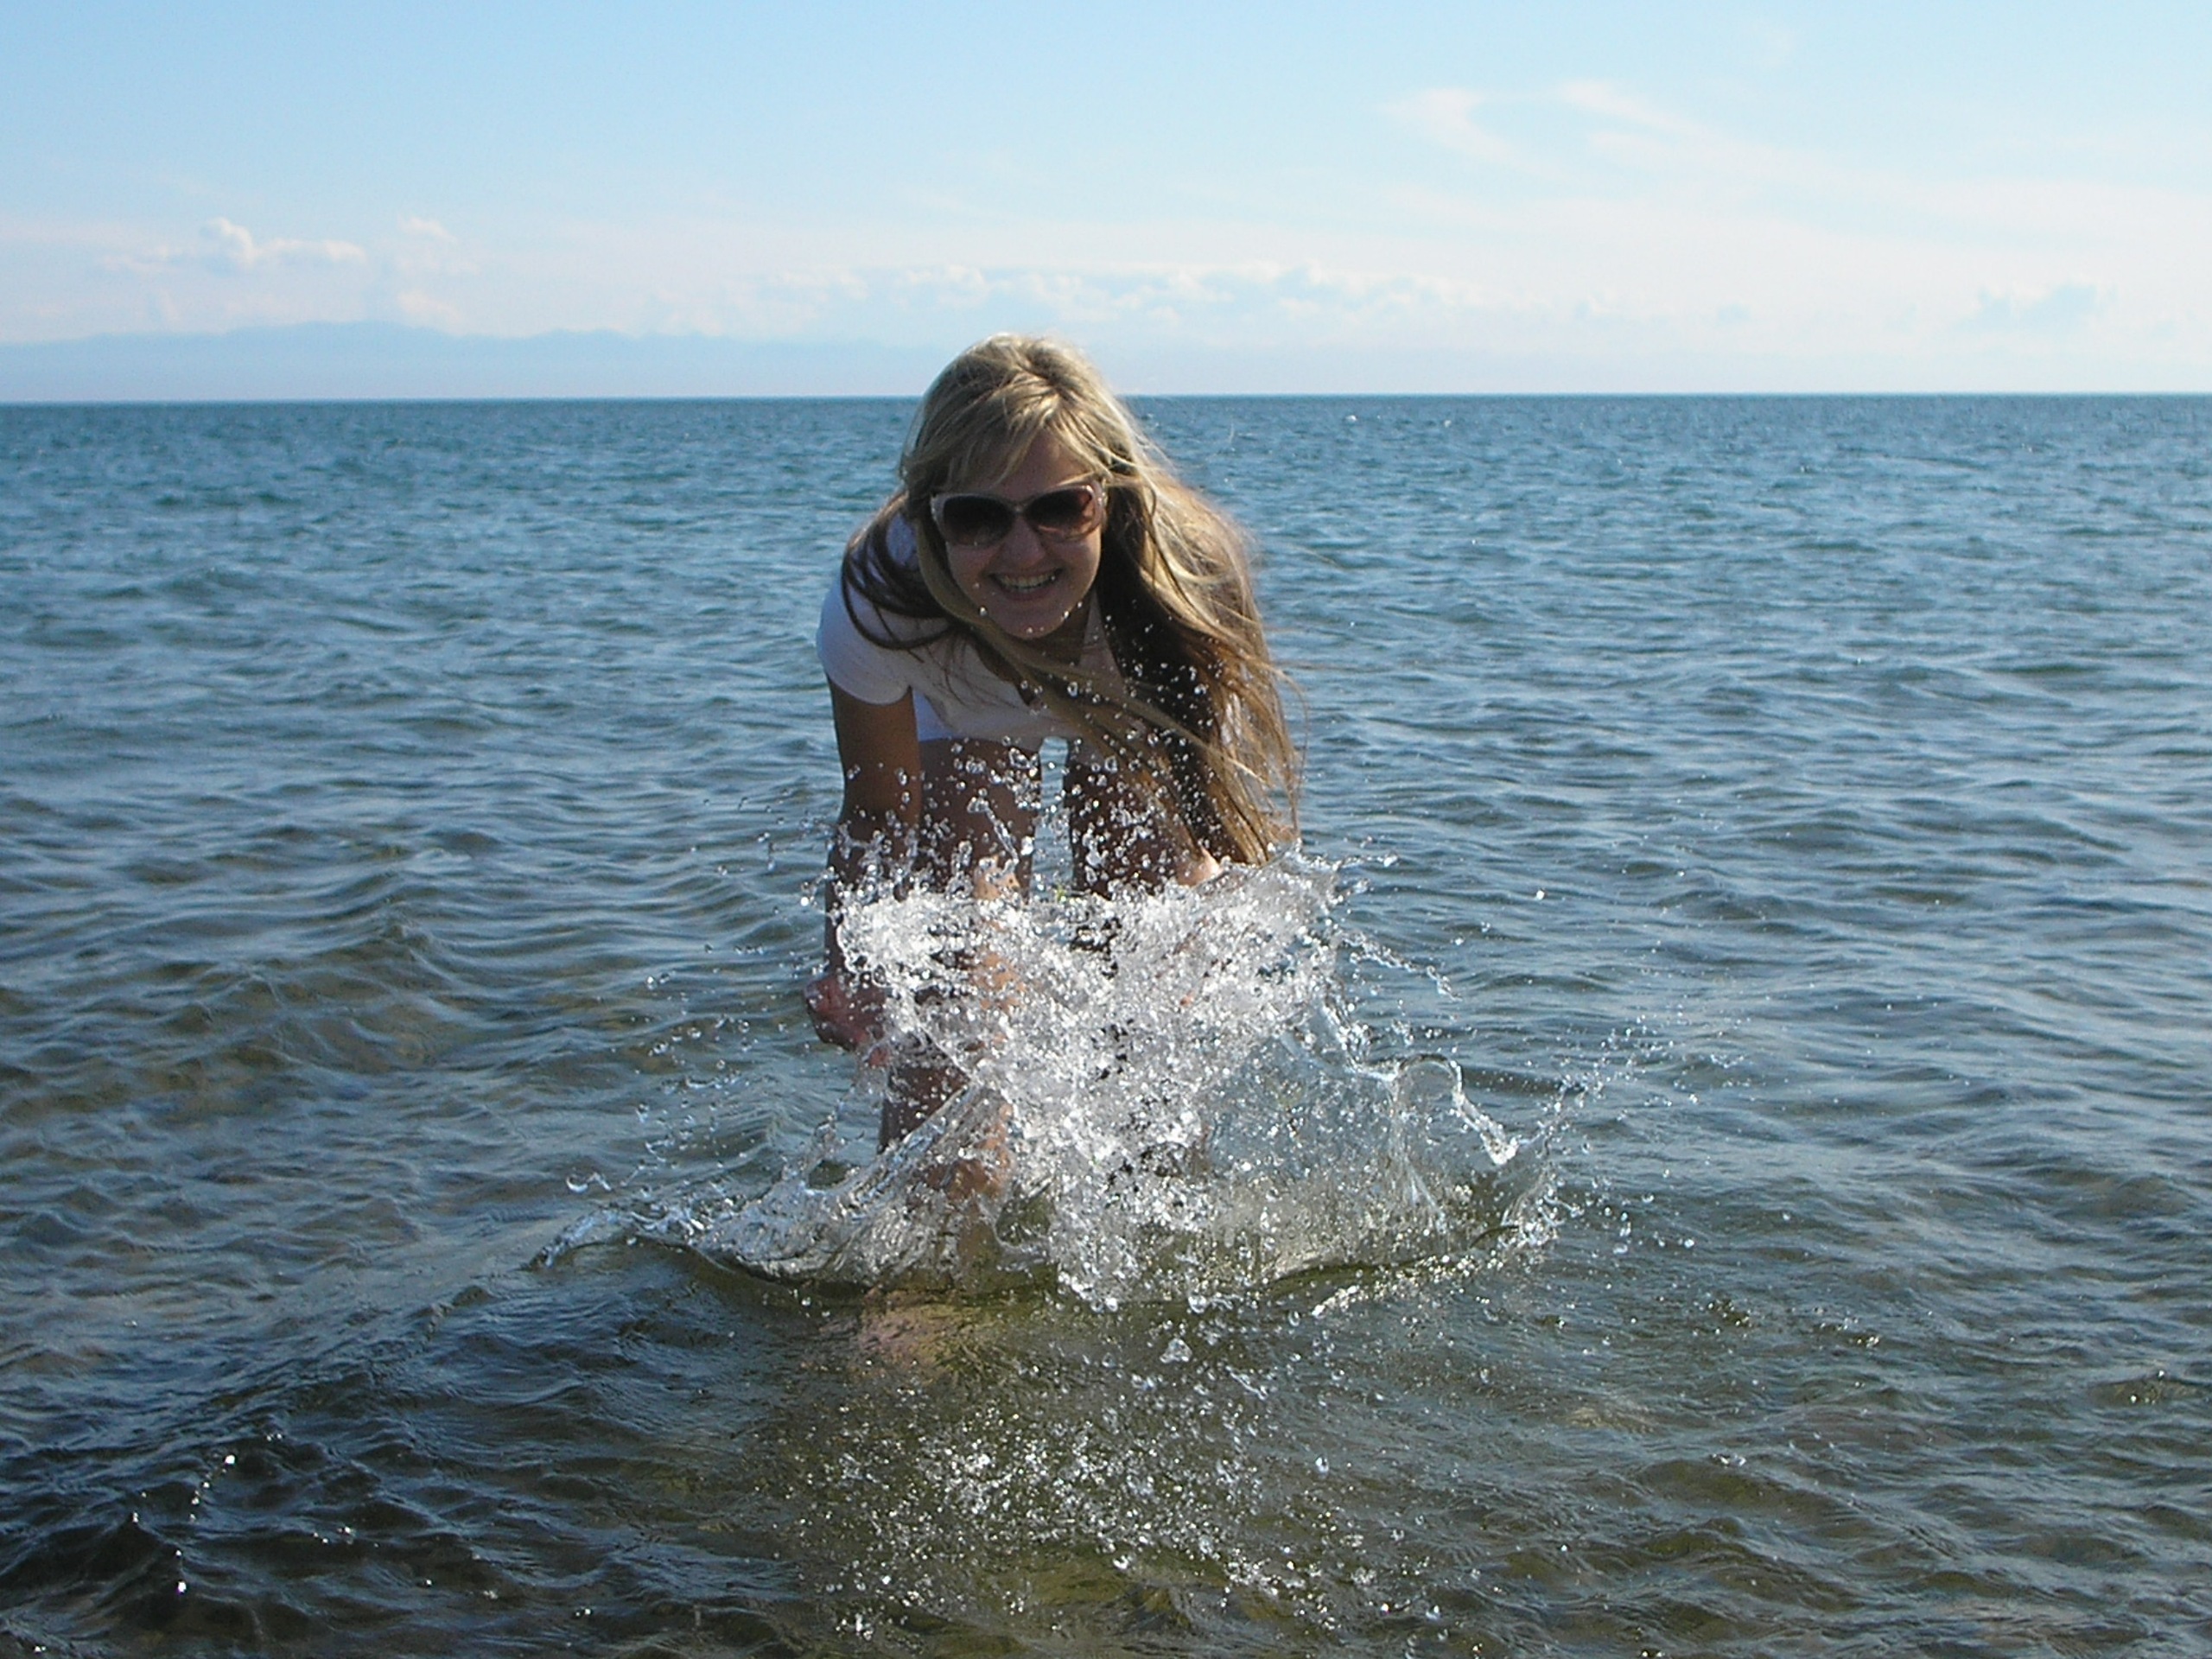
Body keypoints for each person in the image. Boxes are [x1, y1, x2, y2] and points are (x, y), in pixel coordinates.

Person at [805, 334, 1299, 1158]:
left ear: (1109, 500)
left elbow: (1210, 806)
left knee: (1147, 965)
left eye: (1061, 509)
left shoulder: (1186, 582)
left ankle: (1154, 1201)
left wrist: (1203, 929)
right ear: (930, 517)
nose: (1025, 551)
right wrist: (849, 957)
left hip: (1121, 686)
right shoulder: (881, 604)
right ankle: (940, 1219)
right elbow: (881, 812)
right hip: (960, 698)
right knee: (959, 973)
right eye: (977, 517)